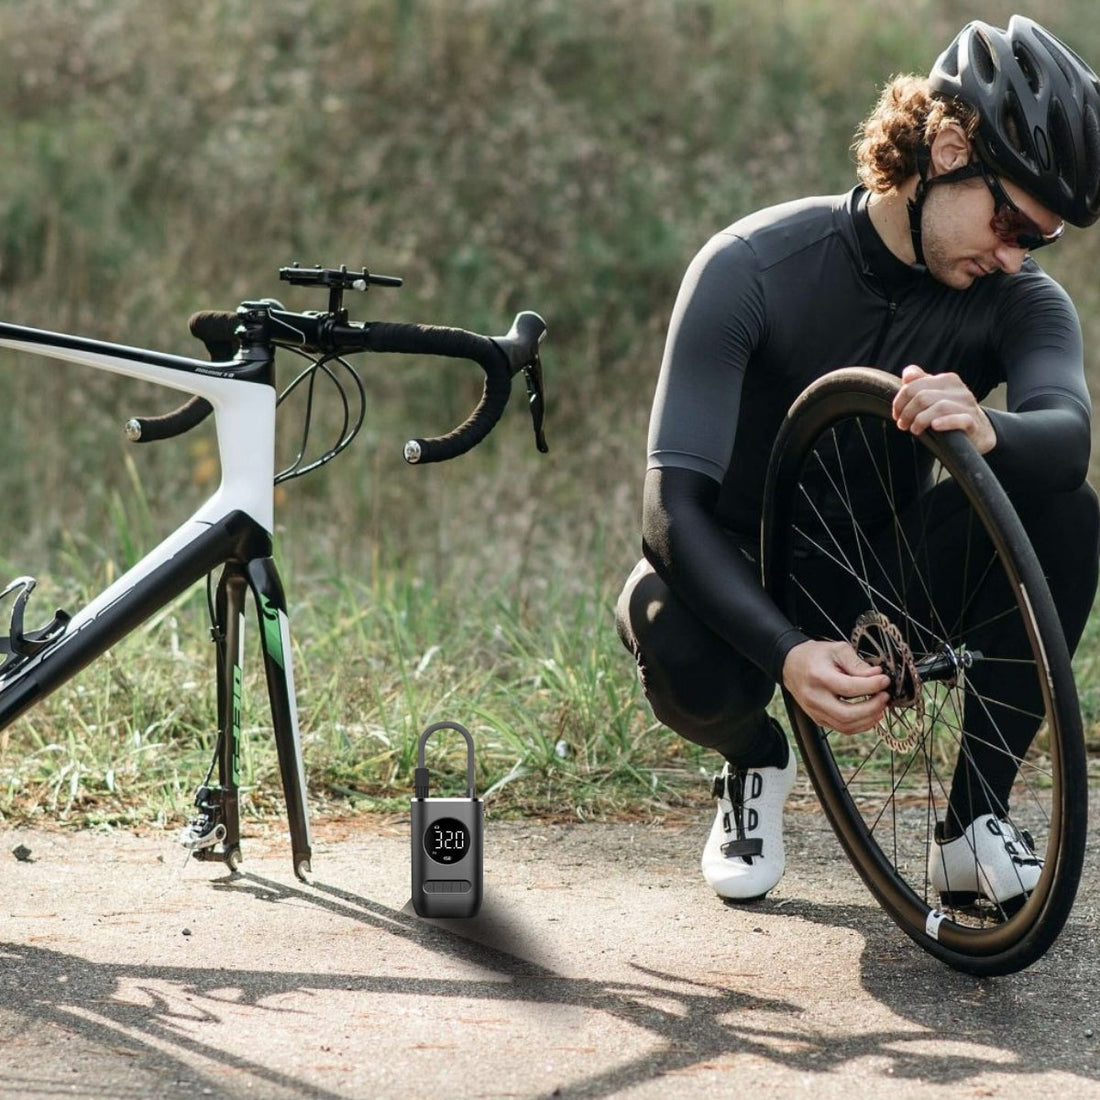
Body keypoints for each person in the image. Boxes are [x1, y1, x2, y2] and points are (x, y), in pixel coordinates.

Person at [616, 16, 1100, 904]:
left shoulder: (1015, 300)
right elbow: (667, 509)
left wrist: (992, 430)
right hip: (739, 582)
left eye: (1037, 241)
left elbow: (1067, 437)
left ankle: (973, 822)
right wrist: (789, 654)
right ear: (948, 147)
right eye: (1006, 222)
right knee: (665, 626)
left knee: (1067, 507)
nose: (1011, 256)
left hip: (877, 576)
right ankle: (754, 761)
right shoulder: (752, 267)